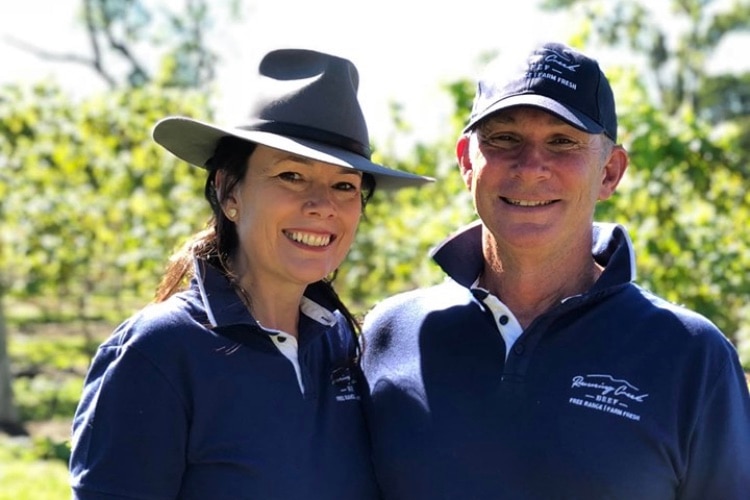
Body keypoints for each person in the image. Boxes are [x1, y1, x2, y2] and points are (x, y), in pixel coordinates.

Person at [361, 41, 750, 499]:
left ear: (610, 172)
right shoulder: (388, 335)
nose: (531, 168)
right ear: (467, 161)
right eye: (505, 139)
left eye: (562, 141)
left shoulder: (693, 356)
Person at [68, 48, 431, 499]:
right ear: (228, 191)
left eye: (344, 185)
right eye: (292, 176)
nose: (322, 205)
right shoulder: (159, 352)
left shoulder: (341, 343)